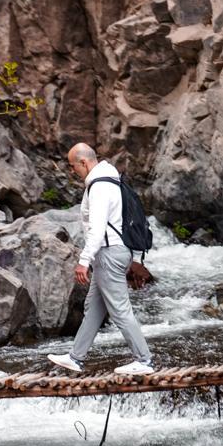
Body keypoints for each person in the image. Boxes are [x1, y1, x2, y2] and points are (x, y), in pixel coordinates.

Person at [48, 144, 154, 375]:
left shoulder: (99, 186)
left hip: (108, 254)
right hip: (112, 253)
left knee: (120, 310)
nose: (73, 171)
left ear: (84, 163)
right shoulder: (111, 180)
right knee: (94, 308)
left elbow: (97, 229)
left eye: (73, 166)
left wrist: (83, 261)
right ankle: (75, 357)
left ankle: (144, 361)